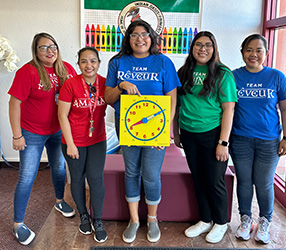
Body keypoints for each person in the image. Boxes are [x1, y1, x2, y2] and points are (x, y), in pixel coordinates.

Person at [104, 20, 181, 243]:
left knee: (151, 174)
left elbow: (172, 99)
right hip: (127, 127)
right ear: (128, 39)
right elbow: (108, 98)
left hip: (156, 128)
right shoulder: (118, 62)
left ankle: (152, 219)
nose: (140, 39)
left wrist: (167, 130)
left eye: (145, 34)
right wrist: (121, 86)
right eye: (135, 34)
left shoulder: (163, 62)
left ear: (153, 38)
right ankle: (134, 220)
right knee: (131, 172)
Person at [8, 32, 76, 245]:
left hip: (57, 131)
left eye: (53, 46)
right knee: (27, 176)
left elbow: (76, 95)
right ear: (35, 51)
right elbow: (14, 104)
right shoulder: (27, 72)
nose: (50, 50)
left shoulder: (66, 69)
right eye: (44, 47)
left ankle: (59, 201)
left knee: (58, 168)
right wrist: (17, 135)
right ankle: (18, 223)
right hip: (32, 133)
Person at [173, 31, 237, 244]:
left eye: (208, 45)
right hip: (189, 134)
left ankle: (221, 222)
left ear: (214, 48)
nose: (203, 49)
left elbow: (229, 110)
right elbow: (177, 105)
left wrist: (223, 142)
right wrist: (176, 133)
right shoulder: (183, 72)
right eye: (198, 45)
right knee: (198, 178)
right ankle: (205, 219)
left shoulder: (223, 73)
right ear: (192, 48)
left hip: (213, 134)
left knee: (214, 180)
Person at [230, 34, 286, 244]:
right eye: (249, 50)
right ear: (242, 52)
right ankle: (245, 220)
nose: (253, 54)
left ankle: (265, 221)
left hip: (269, 141)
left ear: (266, 53)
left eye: (259, 50)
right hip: (240, 139)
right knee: (245, 182)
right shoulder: (233, 77)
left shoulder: (276, 76)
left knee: (264, 182)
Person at [58, 47, 108, 243]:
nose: (89, 65)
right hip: (74, 141)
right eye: (84, 61)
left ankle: (98, 220)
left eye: (93, 61)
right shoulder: (70, 84)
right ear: (78, 64)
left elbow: (120, 103)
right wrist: (70, 144)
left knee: (96, 179)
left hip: (97, 140)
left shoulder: (105, 83)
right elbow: (62, 115)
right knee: (77, 178)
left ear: (99, 63)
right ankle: (83, 215)